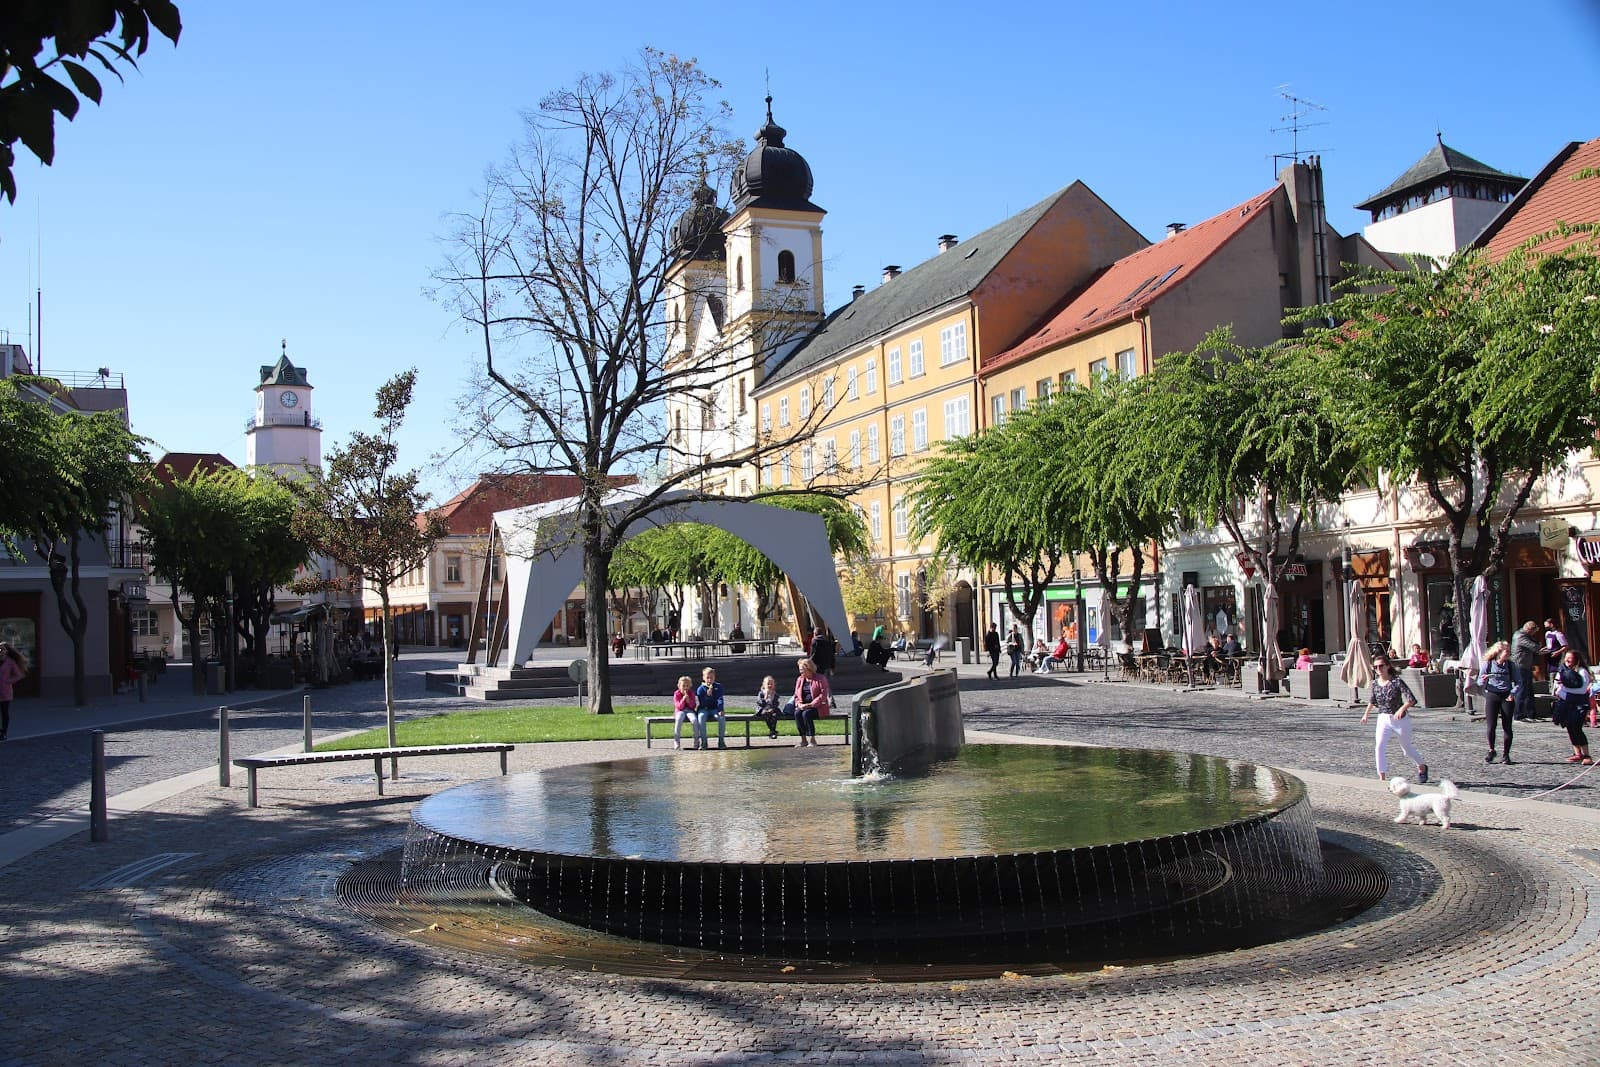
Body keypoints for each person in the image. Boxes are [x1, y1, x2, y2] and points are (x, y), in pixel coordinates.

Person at [1362, 652, 1428, 783]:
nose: (1378, 670)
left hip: (1400, 719)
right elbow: (1373, 700)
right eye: (1375, 667)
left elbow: (1411, 699)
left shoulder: (1396, 681)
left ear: (1387, 666)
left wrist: (1402, 708)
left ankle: (1422, 766)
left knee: (1406, 748)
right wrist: (1366, 714)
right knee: (1379, 746)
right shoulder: (1375, 683)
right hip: (1383, 718)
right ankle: (1382, 777)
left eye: (1381, 666)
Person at [1478, 640, 1518, 765]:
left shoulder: (1511, 665)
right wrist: (1483, 680)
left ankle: (1506, 754)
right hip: (1492, 695)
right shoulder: (1488, 664)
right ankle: (1491, 750)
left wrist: (1513, 693)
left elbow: (1519, 682)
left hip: (1506, 696)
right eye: (1507, 651)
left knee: (1507, 726)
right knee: (1491, 726)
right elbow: (1479, 681)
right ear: (1499, 652)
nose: (1508, 654)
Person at [1551, 649, 1592, 766]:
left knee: (1577, 728)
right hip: (1566, 704)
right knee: (1570, 728)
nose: (1567, 660)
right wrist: (1558, 689)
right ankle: (1577, 753)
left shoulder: (1582, 671)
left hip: (1580, 704)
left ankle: (1587, 755)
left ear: (1576, 659)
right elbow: (1557, 683)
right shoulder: (1563, 670)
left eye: (1570, 658)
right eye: (1566, 657)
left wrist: (1564, 690)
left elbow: (1582, 689)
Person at [791, 658, 831, 748]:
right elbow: (796, 695)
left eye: (802, 670)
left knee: (806, 714)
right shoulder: (800, 680)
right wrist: (799, 704)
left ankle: (812, 739)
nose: (801, 673)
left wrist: (810, 705)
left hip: (818, 707)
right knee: (797, 713)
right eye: (800, 670)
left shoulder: (820, 678)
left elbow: (823, 695)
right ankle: (803, 739)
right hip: (803, 705)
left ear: (809, 669)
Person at [1511, 621, 1543, 722]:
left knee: (1529, 691)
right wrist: (1539, 646)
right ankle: (1518, 715)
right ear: (1529, 629)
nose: (1534, 634)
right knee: (1522, 690)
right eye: (1534, 631)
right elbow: (1534, 646)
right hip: (1520, 666)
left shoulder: (1526, 636)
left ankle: (1532, 714)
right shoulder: (1520, 636)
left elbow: (1535, 645)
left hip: (1526, 666)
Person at [694, 666, 726, 750]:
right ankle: (704, 742)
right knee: (701, 718)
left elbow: (720, 699)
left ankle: (721, 741)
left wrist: (720, 709)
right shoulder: (700, 689)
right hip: (704, 708)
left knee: (721, 718)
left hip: (715, 708)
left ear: (714, 677)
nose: (709, 680)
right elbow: (702, 702)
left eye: (711, 678)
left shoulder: (718, 687)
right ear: (703, 678)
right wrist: (708, 695)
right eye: (707, 678)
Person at [0, 642, 25, 741]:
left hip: (5, 691)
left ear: (6, 651)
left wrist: (8, 681)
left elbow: (18, 675)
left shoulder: (10, 662)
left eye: (2, 649)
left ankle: (4, 733)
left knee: (4, 713)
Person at [671, 675, 695, 751]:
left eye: (687, 686)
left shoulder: (691, 693)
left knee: (694, 720)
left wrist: (688, 701)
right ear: (679, 686)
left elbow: (693, 706)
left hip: (689, 710)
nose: (685, 688)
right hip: (679, 710)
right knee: (679, 719)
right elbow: (679, 706)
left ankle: (696, 742)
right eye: (683, 686)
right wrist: (683, 700)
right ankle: (676, 742)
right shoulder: (676, 694)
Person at [754, 675, 782, 739]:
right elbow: (760, 703)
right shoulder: (761, 693)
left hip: (772, 710)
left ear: (774, 685)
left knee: (774, 715)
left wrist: (772, 708)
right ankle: (773, 731)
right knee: (766, 714)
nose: (770, 685)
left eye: (771, 684)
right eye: (768, 684)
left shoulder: (775, 694)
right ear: (764, 685)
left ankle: (772, 731)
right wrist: (766, 696)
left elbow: (776, 703)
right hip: (763, 709)